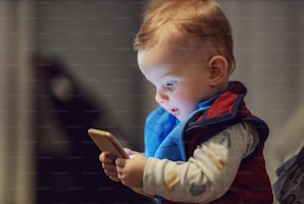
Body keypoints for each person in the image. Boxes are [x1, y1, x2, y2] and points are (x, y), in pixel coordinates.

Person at [99, 0, 273, 203]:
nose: (159, 97)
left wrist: (148, 172)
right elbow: (170, 185)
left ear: (214, 71)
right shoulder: (184, 117)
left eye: (170, 84)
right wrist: (132, 167)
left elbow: (204, 183)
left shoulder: (227, 127)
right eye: (155, 85)